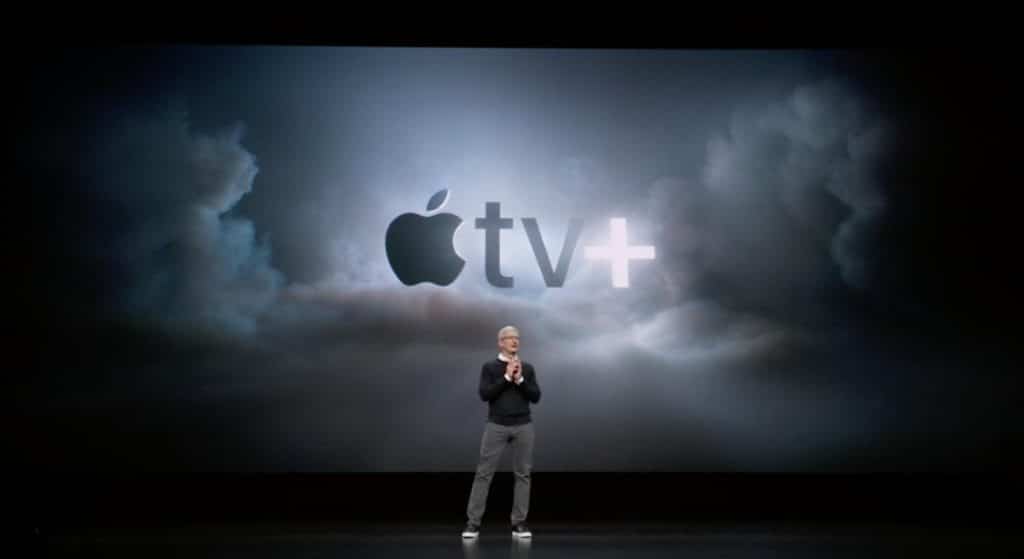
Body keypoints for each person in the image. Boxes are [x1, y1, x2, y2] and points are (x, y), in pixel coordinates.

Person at [462, 325, 541, 539]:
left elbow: (535, 396)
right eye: (509, 338)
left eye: (517, 338)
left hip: (523, 425)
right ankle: (473, 524)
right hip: (496, 425)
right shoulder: (489, 367)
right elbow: (485, 394)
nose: (514, 341)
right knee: (483, 474)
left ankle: (519, 524)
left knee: (523, 474)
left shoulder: (528, 368)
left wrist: (520, 380)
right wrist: (506, 378)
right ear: (501, 342)